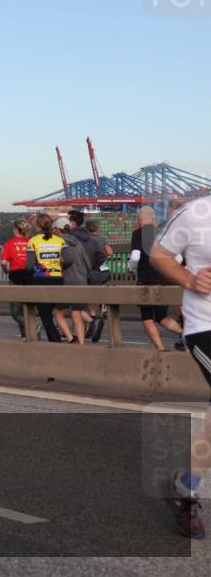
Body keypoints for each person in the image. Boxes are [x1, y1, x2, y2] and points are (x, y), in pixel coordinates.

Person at [150, 194, 211, 540]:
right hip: (206, 325)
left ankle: (183, 485)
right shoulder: (196, 213)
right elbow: (160, 255)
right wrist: (189, 280)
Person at [130, 207, 185, 352]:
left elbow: (135, 257)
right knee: (162, 317)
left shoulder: (137, 234)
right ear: (153, 219)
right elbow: (178, 258)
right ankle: (184, 336)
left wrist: (132, 269)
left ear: (139, 219)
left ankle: (161, 349)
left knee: (147, 317)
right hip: (165, 280)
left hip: (146, 280)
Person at [25, 214, 70, 343]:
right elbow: (70, 259)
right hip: (57, 278)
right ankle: (57, 339)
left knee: (45, 315)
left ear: (37, 225)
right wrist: (60, 267)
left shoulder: (33, 241)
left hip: (41, 279)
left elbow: (28, 265)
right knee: (55, 311)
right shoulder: (59, 240)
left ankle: (55, 341)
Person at [55, 215, 92, 345]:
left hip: (66, 283)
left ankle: (71, 338)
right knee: (77, 314)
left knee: (59, 314)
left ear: (57, 229)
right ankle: (81, 343)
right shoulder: (79, 243)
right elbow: (88, 264)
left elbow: (58, 263)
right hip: (81, 282)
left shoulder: (58, 243)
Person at [0, 218, 32, 338]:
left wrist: (6, 270)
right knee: (28, 308)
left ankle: (30, 327)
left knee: (15, 311)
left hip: (16, 277)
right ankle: (27, 335)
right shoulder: (31, 242)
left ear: (15, 230)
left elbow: (4, 262)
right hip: (30, 277)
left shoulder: (10, 243)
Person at [84, 219, 113, 342]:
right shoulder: (101, 239)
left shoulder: (86, 240)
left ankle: (93, 316)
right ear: (98, 228)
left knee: (91, 295)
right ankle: (103, 305)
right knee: (99, 291)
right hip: (104, 270)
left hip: (91, 272)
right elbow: (110, 252)